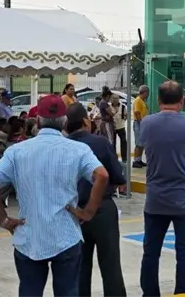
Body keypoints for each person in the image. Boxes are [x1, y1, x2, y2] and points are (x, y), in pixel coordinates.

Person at [0, 94, 110, 297]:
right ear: (64, 121)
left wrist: (3, 220)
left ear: (38, 121)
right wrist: (88, 212)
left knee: (29, 291)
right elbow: (101, 175)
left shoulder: (17, 151)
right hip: (65, 235)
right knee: (68, 292)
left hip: (29, 236)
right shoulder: (78, 150)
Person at [139, 80, 185, 297]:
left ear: (158, 100)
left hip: (155, 199)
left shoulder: (147, 123)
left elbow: (142, 147)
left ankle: (150, 293)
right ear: (182, 101)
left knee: (151, 252)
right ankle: (183, 292)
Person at [66, 103, 127, 297]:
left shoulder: (62, 146)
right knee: (111, 265)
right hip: (102, 209)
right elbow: (117, 177)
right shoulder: (100, 143)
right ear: (86, 121)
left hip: (73, 212)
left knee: (79, 267)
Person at [132, 85, 149, 168]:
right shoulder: (138, 100)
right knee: (138, 143)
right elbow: (137, 113)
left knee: (141, 143)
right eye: (148, 93)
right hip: (139, 123)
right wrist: (141, 123)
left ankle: (139, 160)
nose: (148, 95)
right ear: (145, 92)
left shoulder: (142, 101)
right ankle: (136, 161)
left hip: (141, 123)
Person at [110, 95, 128, 162]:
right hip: (112, 128)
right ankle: (114, 158)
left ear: (119, 99)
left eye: (116, 98)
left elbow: (126, 115)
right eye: (113, 98)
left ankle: (124, 158)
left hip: (121, 127)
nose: (115, 100)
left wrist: (122, 121)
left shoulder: (123, 107)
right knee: (113, 143)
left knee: (123, 142)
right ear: (111, 99)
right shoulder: (109, 107)